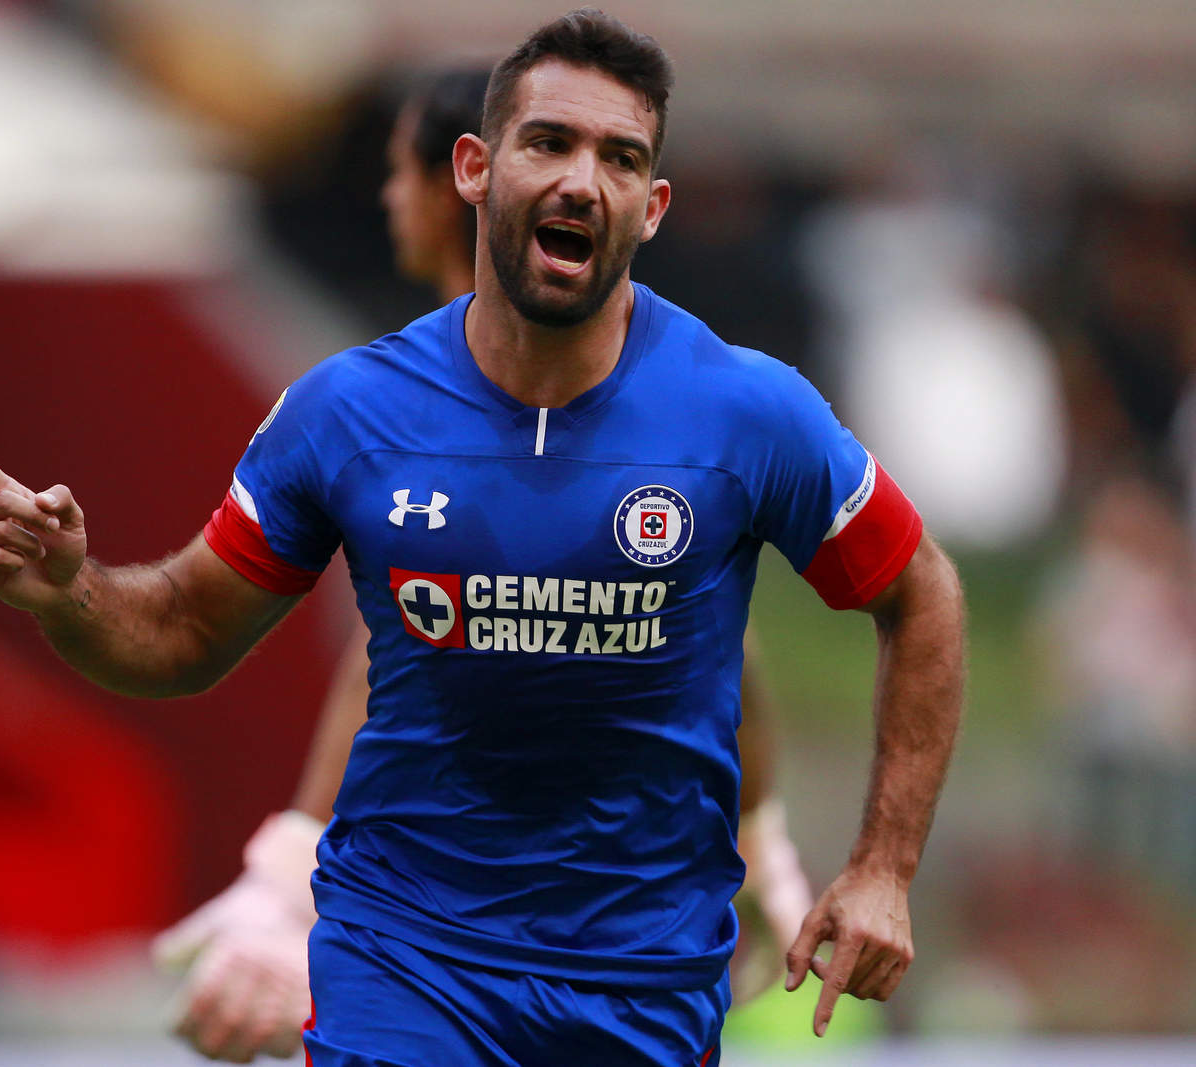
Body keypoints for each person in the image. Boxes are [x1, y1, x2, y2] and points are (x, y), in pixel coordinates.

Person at [0, 10, 964, 1065]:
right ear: (474, 168)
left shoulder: (746, 412)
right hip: (404, 966)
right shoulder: (347, 412)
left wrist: (881, 866)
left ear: (652, 207)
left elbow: (919, 590)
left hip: (640, 985)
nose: (583, 181)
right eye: (549, 142)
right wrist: (71, 591)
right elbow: (184, 629)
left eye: (620, 159)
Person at [151, 66, 810, 1063]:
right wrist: (756, 830)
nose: (387, 199)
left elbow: (413, 653)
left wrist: (291, 870)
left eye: (395, 172)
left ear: (451, 181)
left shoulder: (546, 386)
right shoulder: (422, 380)